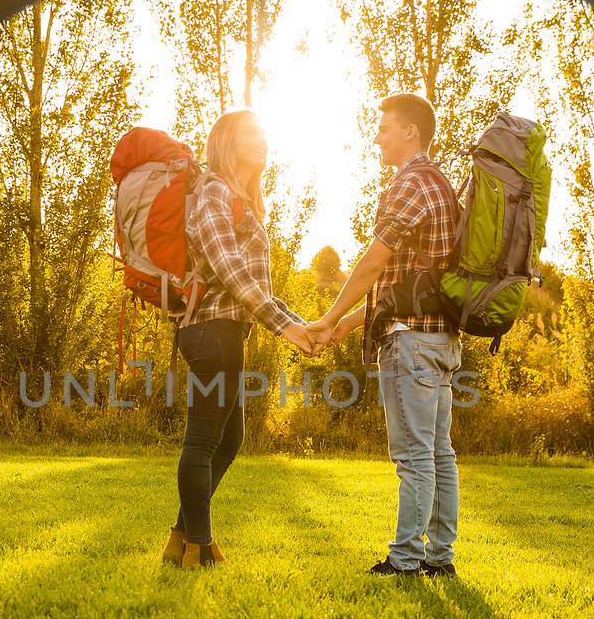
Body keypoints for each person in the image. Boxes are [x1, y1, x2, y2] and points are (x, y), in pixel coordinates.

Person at [309, 93, 462, 576]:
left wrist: (330, 316)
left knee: (415, 456)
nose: (377, 137)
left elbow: (375, 264)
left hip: (411, 344)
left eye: (384, 128)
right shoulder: (441, 185)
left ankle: (405, 560)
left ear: (411, 132)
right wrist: (349, 325)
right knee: (439, 453)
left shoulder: (409, 184)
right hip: (440, 341)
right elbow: (404, 283)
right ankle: (439, 557)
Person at [161, 109, 319, 571]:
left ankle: (180, 539)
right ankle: (201, 550)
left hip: (224, 331)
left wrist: (301, 324)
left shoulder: (237, 200)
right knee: (204, 442)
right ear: (227, 142)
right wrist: (285, 327)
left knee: (229, 440)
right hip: (211, 332)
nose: (262, 140)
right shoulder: (213, 192)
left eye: (264, 132)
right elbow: (230, 273)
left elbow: (256, 290)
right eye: (251, 133)